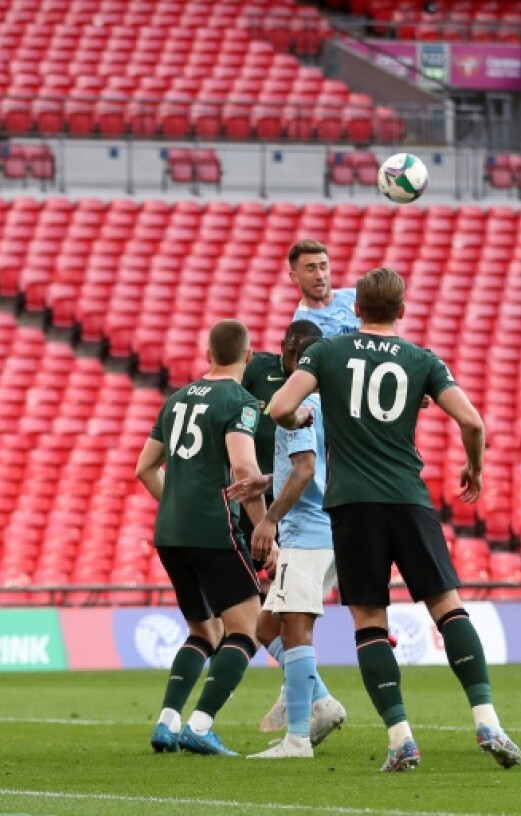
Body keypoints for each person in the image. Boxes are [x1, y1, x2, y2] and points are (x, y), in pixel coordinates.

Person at [268, 267, 521, 772]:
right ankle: (489, 721)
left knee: (368, 621)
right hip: (409, 498)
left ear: (355, 309)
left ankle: (401, 738)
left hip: (352, 506)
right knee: (448, 608)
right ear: (402, 311)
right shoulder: (422, 359)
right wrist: (474, 467)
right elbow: (472, 420)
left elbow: (280, 405)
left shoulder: (328, 352)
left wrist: (297, 419)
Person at [136, 319, 273, 757]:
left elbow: (143, 468)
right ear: (248, 358)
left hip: (170, 532)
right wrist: (264, 525)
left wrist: (176, 504)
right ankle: (200, 724)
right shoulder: (241, 401)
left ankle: (167, 722)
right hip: (213, 529)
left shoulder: (175, 401)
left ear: (207, 355)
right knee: (247, 628)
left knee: (203, 630)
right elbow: (244, 470)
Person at [228, 321, 347, 758]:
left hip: (305, 531)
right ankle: (322, 702)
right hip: (323, 528)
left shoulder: (296, 405)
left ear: (292, 354)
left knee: (296, 631)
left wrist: (267, 522)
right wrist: (267, 480)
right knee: (266, 625)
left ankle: (297, 737)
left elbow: (305, 470)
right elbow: (302, 466)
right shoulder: (326, 401)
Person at [288, 239, 360, 338]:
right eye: (311, 268)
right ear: (294, 277)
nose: (320, 276)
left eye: (323, 267)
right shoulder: (303, 328)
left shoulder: (357, 296)